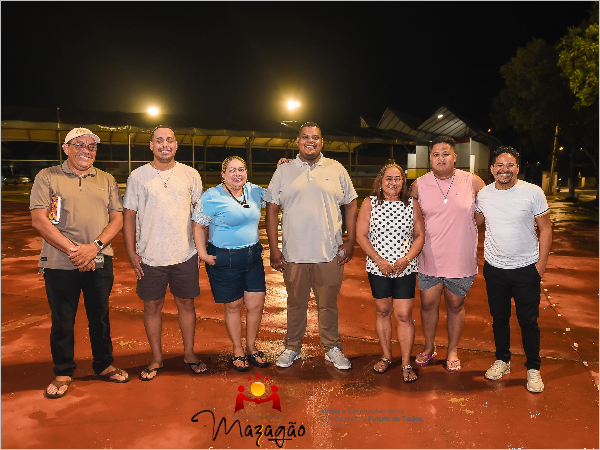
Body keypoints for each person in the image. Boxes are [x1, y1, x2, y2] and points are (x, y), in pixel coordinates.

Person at [30, 127, 130, 399]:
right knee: (63, 319)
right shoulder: (47, 176)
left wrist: (94, 247)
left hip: (99, 257)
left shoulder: (107, 179)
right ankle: (63, 370)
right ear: (66, 148)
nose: (87, 150)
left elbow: (117, 218)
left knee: (100, 315)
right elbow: (39, 220)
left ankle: (104, 364)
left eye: (91, 146)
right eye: (80, 144)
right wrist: (76, 252)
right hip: (60, 261)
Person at [265, 122, 358, 370]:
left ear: (322, 142)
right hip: (294, 254)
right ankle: (292, 347)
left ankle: (331, 347)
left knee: (328, 305)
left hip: (329, 253)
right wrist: (274, 248)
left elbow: (351, 203)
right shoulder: (284, 171)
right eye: (305, 137)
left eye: (315, 137)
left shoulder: (336, 168)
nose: (310, 141)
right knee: (296, 305)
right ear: (297, 141)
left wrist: (350, 240)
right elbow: (272, 209)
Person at [123, 125, 206, 381]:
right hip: (150, 256)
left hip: (185, 253)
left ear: (176, 145)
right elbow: (129, 216)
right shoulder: (137, 176)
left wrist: (201, 249)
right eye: (159, 140)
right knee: (152, 305)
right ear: (151, 145)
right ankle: (156, 357)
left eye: (169, 140)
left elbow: (200, 216)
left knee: (186, 303)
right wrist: (131, 252)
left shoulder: (190, 174)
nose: (164, 144)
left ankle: (189, 353)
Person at [475, 146, 552, 393]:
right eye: (500, 165)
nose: (504, 169)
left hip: (526, 269)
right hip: (495, 268)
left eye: (510, 165)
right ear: (492, 169)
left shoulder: (533, 192)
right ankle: (502, 360)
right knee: (499, 319)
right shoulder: (484, 195)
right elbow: (474, 222)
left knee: (528, 321)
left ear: (517, 168)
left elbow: (546, 229)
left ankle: (533, 368)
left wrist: (541, 265)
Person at [409, 136, 485, 372]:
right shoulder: (418, 185)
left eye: (445, 154)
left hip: (460, 258)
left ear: (455, 156)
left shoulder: (473, 182)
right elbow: (412, 221)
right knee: (428, 304)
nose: (440, 158)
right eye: (436, 154)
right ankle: (429, 346)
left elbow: (481, 217)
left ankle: (452, 350)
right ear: (430, 158)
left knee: (455, 305)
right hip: (429, 257)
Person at [191, 156, 270, 372]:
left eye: (241, 169)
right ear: (223, 174)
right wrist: (203, 254)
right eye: (232, 170)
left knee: (255, 304)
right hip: (225, 257)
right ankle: (237, 349)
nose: (237, 174)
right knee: (234, 306)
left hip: (252, 256)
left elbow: (278, 196)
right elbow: (198, 226)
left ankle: (251, 347)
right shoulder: (212, 196)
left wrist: (284, 169)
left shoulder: (254, 191)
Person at [356, 163, 425, 382]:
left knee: (404, 315)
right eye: (389, 178)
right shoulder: (370, 203)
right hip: (378, 269)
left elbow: (420, 235)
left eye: (398, 179)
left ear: (403, 182)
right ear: (380, 181)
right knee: (383, 311)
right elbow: (361, 235)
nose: (393, 182)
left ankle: (406, 363)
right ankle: (386, 356)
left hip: (405, 268)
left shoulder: (412, 204)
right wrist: (379, 261)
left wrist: (406, 259)